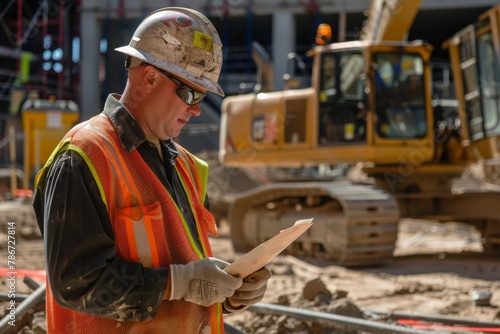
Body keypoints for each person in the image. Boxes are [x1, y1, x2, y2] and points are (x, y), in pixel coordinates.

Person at [33, 7, 271, 334]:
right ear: (149, 77)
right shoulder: (83, 156)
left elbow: (184, 266)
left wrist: (226, 291)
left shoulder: (185, 166)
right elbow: (77, 285)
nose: (198, 108)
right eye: (190, 92)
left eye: (202, 95)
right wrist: (178, 283)